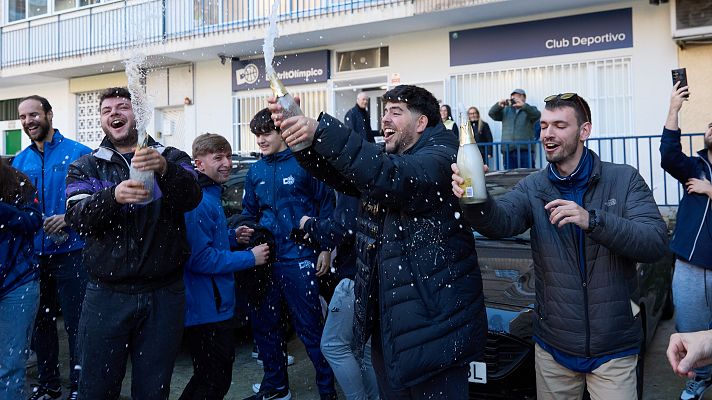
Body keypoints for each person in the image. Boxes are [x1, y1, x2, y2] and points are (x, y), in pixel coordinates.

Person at [271, 84, 487, 399]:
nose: (385, 119)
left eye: (396, 112)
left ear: (422, 123)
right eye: (384, 111)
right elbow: (346, 174)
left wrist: (322, 130)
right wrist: (304, 141)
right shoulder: (391, 159)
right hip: (392, 330)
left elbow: (396, 177)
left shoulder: (443, 156)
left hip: (434, 333)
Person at [453, 92, 668, 400]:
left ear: (584, 131)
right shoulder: (533, 187)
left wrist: (592, 220)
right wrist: (475, 200)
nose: (547, 134)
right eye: (543, 126)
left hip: (613, 350)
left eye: (559, 125)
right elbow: (500, 223)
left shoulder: (624, 179)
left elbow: (655, 242)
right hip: (553, 351)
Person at [64, 87, 202, 398]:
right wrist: (112, 197)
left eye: (122, 107)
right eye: (106, 110)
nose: (114, 113)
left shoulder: (171, 157)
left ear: (138, 114)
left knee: (153, 390)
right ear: (101, 121)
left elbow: (192, 198)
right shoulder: (85, 166)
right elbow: (77, 218)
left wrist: (163, 170)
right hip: (105, 295)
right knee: (96, 389)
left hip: (163, 295)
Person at [240, 108, 337, 400]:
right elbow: (249, 213)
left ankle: (327, 392)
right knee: (266, 330)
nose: (260, 140)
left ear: (282, 132)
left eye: (265, 133)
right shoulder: (255, 171)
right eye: (256, 134)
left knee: (310, 332)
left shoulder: (306, 163)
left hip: (300, 261)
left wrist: (326, 249)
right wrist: (244, 230)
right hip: (265, 263)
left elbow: (326, 209)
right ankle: (276, 388)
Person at [10, 95, 91, 400]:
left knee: (76, 325)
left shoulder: (80, 154)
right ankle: (49, 385)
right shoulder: (19, 161)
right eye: (23, 117)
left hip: (73, 254)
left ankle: (80, 387)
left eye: (34, 114)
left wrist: (69, 218)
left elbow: (97, 202)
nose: (28, 121)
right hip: (33, 257)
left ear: (49, 114)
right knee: (40, 326)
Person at [180, 133, 271, 399]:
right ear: (199, 164)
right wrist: (249, 258)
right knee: (213, 380)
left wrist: (231, 238)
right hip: (207, 309)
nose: (227, 163)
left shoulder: (208, 194)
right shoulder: (198, 202)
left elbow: (206, 243)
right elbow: (198, 259)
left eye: (229, 156)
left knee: (209, 377)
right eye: (218, 157)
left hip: (213, 305)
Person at [299, 123, 379, 400]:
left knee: (333, 345)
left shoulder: (352, 176)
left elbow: (343, 228)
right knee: (364, 349)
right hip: (369, 274)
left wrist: (309, 225)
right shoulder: (371, 171)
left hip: (355, 277)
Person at [660, 81, 712, 400]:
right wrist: (674, 108)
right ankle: (700, 378)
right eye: (710, 125)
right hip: (690, 268)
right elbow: (668, 155)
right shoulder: (694, 166)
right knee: (692, 331)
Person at [0, 161, 42, 400]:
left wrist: (3, 210)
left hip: (18, 284)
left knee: (11, 365)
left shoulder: (18, 181)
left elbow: (34, 222)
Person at [488, 88, 540, 169]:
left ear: (524, 98)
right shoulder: (506, 110)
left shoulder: (530, 109)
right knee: (509, 176)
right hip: (508, 150)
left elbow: (537, 115)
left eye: (519, 96)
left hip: (525, 150)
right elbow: (492, 114)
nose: (515, 98)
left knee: (527, 175)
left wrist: (524, 106)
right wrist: (499, 105)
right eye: (513, 96)